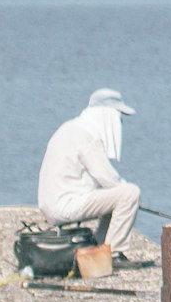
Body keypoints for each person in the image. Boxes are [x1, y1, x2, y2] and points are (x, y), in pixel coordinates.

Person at [37, 89, 145, 258]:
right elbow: (107, 178)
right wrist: (129, 196)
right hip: (66, 205)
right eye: (118, 116)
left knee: (116, 197)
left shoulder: (70, 128)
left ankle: (99, 247)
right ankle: (115, 253)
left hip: (52, 204)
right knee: (130, 193)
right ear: (107, 115)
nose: (120, 122)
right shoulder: (87, 135)